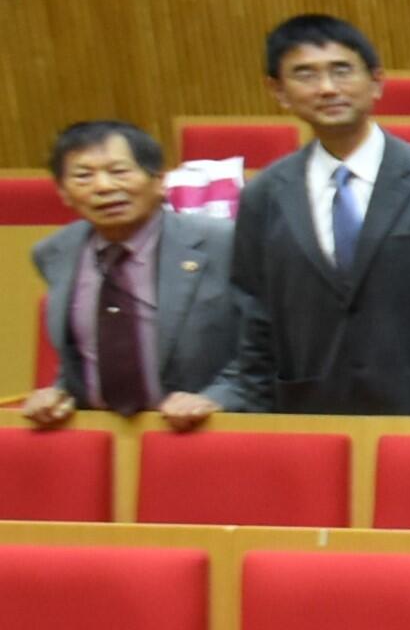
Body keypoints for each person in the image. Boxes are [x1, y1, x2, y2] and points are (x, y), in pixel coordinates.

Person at [220, 14, 410, 416]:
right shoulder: (265, 195)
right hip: (311, 416)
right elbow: (255, 321)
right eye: (305, 75)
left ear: (377, 81)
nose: (327, 88)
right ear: (278, 91)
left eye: (342, 71)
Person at [21, 123, 254, 427]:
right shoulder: (55, 253)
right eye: (83, 176)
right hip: (104, 435)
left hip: (209, 432)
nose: (103, 187)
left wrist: (219, 396)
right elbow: (84, 350)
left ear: (159, 180)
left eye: (119, 171)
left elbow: (268, 343)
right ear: (63, 192)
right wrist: (59, 393)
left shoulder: (225, 244)